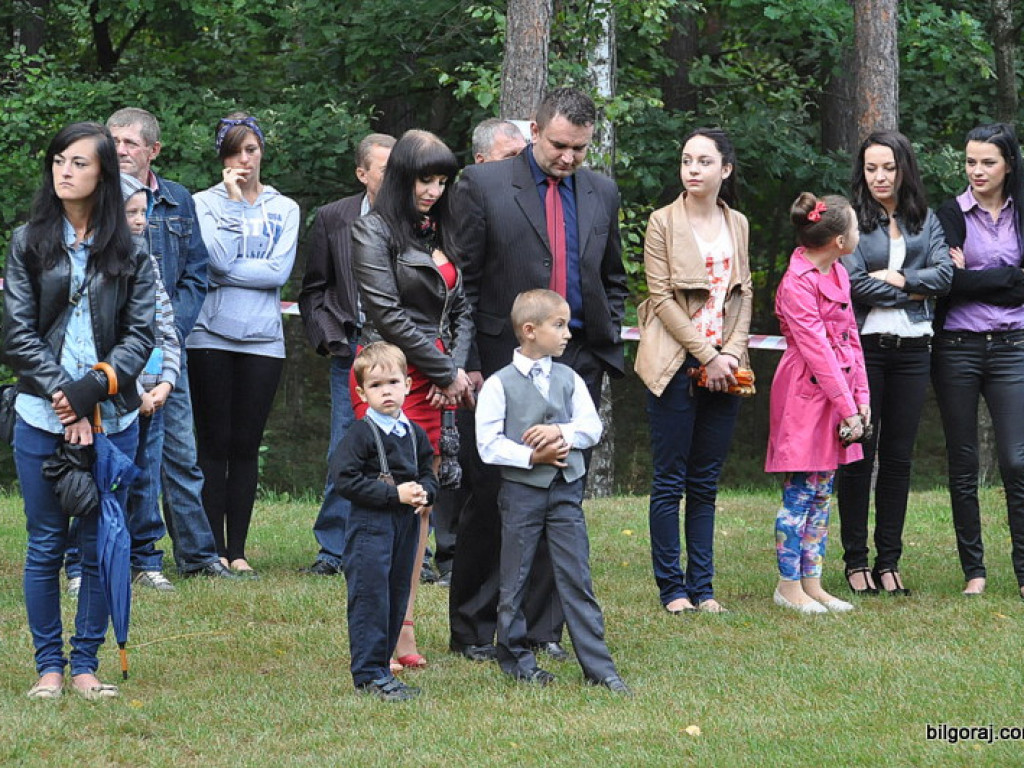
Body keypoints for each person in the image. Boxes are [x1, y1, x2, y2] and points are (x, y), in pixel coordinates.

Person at [449, 86, 627, 662]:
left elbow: (612, 277)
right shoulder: (485, 185)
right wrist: (469, 363)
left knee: (560, 493)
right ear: (534, 129)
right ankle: (476, 629)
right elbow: (466, 286)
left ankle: (541, 629)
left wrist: (600, 349)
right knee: (490, 494)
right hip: (502, 364)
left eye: (578, 148)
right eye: (557, 145)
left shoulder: (601, 192)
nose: (567, 158)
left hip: (575, 362)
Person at [2, 122, 155, 699]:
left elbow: (142, 334)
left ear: (104, 176)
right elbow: (17, 335)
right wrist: (65, 397)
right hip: (42, 416)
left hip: (112, 418)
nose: (64, 171)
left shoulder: (131, 248)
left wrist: (98, 385)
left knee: (98, 544)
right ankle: (48, 667)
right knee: (45, 543)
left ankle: (85, 664)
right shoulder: (27, 241)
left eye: (79, 163)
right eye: (58, 160)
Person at [350, 128, 474, 667]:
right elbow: (386, 313)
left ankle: (404, 627)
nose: (434, 190)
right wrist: (444, 369)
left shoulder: (438, 229)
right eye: (426, 179)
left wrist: (457, 373)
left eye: (443, 181)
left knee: (422, 505)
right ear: (403, 175)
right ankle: (384, 632)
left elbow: (463, 307)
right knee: (387, 507)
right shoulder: (371, 229)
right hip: (392, 377)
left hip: (440, 378)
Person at [476, 289, 629, 693]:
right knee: (516, 577)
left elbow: (591, 427)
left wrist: (560, 432)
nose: (566, 333)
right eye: (558, 325)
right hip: (521, 494)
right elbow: (487, 444)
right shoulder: (497, 384)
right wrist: (533, 458)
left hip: (565, 493)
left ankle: (600, 669)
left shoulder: (570, 377)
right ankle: (515, 659)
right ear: (529, 331)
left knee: (577, 576)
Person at [107, 107, 235, 581]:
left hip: (166, 356)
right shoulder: (94, 200)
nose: (120, 150)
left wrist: (168, 339)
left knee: (180, 457)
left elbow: (195, 276)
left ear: (153, 151)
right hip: (115, 360)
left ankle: (199, 557)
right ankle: (126, 558)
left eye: (130, 143)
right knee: (120, 461)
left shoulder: (179, 200)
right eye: (114, 141)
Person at [634, 128, 752, 614]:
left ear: (725, 169)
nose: (693, 169)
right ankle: (673, 590)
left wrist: (732, 354)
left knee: (705, 481)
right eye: (686, 160)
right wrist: (708, 354)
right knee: (670, 481)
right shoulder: (662, 222)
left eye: (704, 161)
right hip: (676, 362)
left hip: (726, 365)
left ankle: (703, 589)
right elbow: (660, 297)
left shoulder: (738, 222)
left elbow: (742, 295)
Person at [837, 131, 952, 596]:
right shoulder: (848, 220)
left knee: (900, 459)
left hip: (912, 350)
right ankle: (855, 562)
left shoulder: (927, 220)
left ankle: (889, 561)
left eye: (888, 167)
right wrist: (915, 289)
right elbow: (852, 284)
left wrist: (901, 277)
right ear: (862, 173)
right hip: (865, 348)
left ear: (905, 169)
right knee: (859, 454)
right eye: (871, 169)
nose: (880, 177)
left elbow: (946, 276)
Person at [188, 112, 299, 577]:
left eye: (250, 149)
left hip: (262, 340)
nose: (244, 159)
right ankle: (211, 547)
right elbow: (213, 262)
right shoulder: (202, 204)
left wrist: (230, 273)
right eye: (234, 151)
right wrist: (234, 204)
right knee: (213, 443)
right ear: (222, 157)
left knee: (246, 445)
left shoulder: (285, 209)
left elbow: (278, 273)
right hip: (209, 335)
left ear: (262, 153)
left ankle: (239, 549)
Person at [432, 119, 528, 588]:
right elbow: (461, 283)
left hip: (515, 347)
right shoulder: (466, 197)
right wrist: (466, 362)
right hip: (468, 350)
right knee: (460, 451)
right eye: (513, 156)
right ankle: (449, 551)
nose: (522, 164)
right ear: (483, 161)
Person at [933, 123, 1024, 600]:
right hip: (958, 349)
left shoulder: (1021, 213)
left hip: (1014, 348)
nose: (977, 171)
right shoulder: (950, 213)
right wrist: (1010, 278)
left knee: (1017, 460)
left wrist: (978, 277)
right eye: (970, 161)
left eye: (987, 161)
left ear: (1008, 164)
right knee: (963, 463)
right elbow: (946, 283)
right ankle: (975, 571)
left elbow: (967, 280)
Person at [298, 133, 395, 576]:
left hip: (404, 353)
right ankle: (332, 551)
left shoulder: (419, 218)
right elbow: (313, 289)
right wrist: (332, 339)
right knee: (345, 446)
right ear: (362, 174)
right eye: (385, 169)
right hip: (352, 350)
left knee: (406, 449)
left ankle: (417, 549)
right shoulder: (334, 217)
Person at [766, 193, 868, 614]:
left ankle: (813, 582)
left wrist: (862, 401)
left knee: (823, 492)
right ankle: (787, 586)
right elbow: (817, 351)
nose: (861, 232)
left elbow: (850, 340)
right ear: (840, 240)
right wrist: (847, 408)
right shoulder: (796, 282)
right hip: (806, 394)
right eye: (857, 227)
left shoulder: (839, 273)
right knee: (800, 494)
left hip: (839, 393)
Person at [333, 342, 438, 701]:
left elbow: (428, 471)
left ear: (408, 385)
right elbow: (345, 480)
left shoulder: (413, 433)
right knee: (370, 597)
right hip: (370, 528)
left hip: (404, 528)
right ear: (362, 393)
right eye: (376, 386)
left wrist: (426, 492)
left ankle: (383, 669)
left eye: (393, 382)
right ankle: (368, 673)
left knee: (396, 594)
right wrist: (394, 495)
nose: (387, 391)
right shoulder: (360, 434)